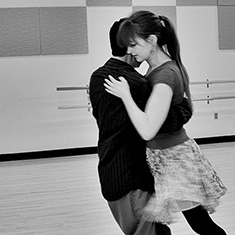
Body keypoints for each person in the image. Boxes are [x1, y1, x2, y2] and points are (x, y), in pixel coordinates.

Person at [104, 11, 227, 235]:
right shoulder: (155, 69)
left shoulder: (164, 76)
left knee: (200, 224)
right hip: (164, 158)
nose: (129, 51)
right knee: (171, 220)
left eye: (133, 45)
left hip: (174, 159)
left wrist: (125, 95)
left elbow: (147, 129)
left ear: (152, 40)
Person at [89, 18, 172, 235]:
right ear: (127, 45)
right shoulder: (138, 84)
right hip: (133, 179)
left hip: (110, 173)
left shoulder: (97, 77)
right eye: (135, 43)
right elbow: (157, 126)